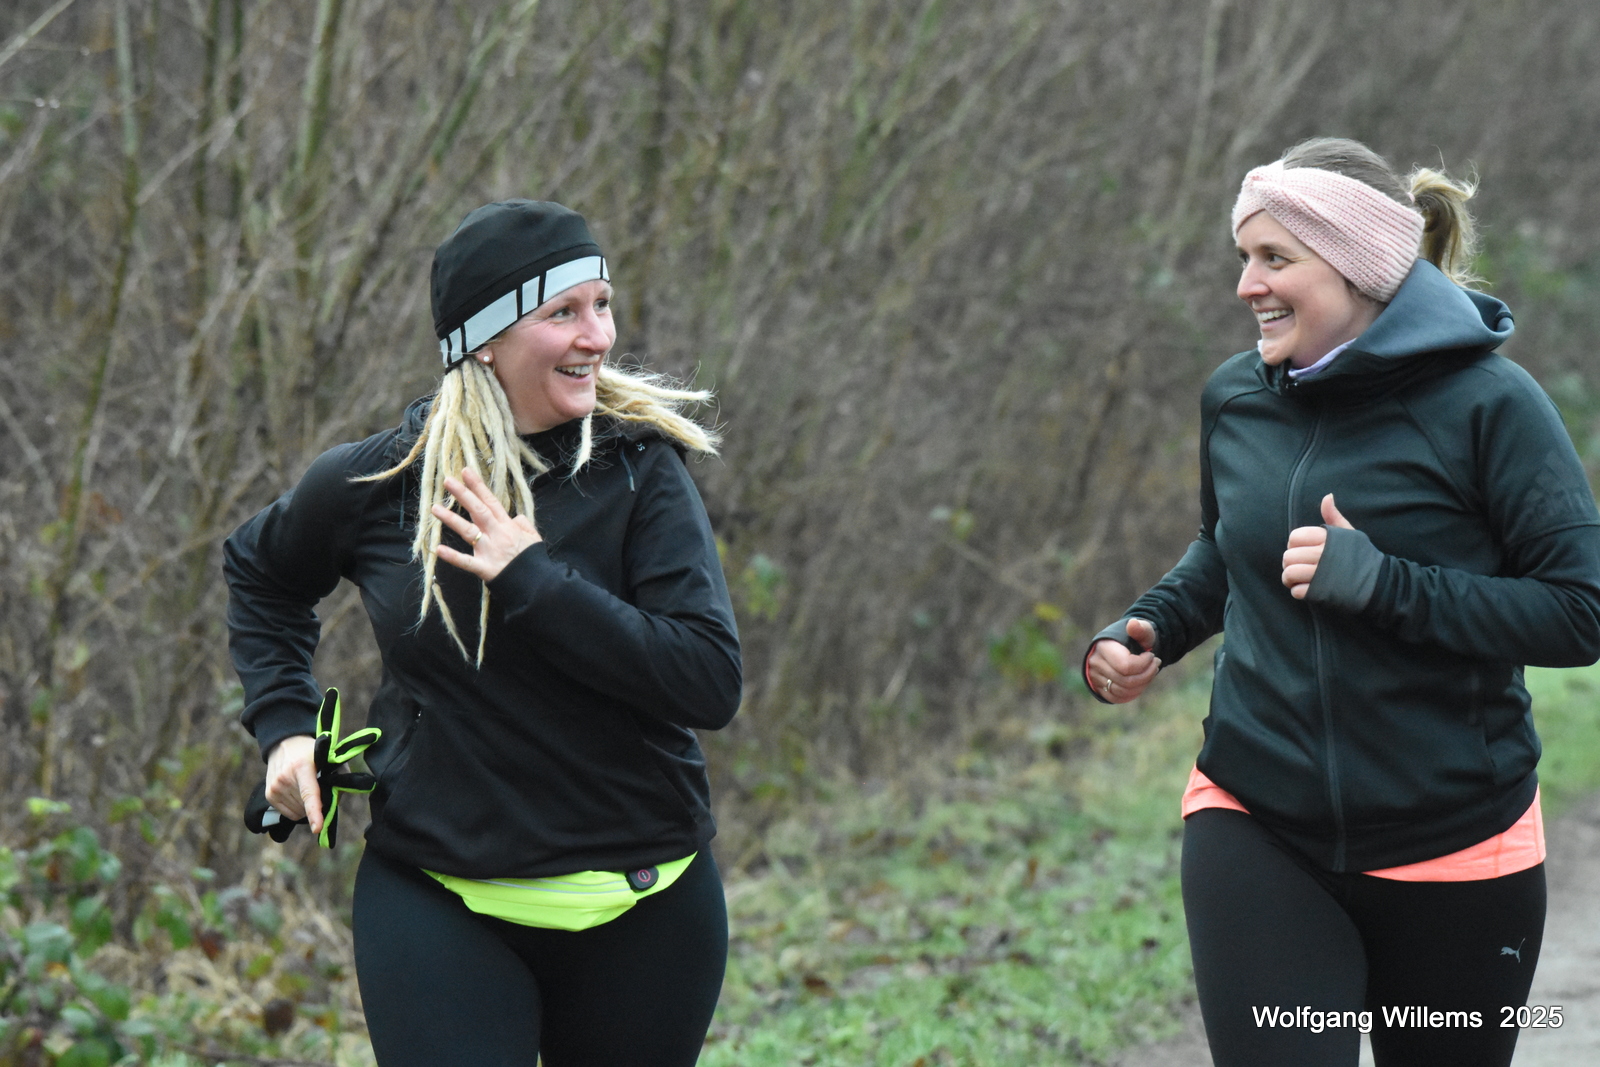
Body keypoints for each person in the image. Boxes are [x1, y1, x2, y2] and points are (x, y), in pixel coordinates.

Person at [1082, 138, 1600, 1067]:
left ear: (1358, 265)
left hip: (1456, 842)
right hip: (1257, 818)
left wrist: (1388, 585)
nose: (1247, 284)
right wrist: (1150, 624)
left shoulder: (1492, 406)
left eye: (1275, 258)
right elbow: (1227, 546)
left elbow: (1578, 610)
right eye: (1245, 256)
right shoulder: (1236, 397)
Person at [224, 200, 740, 1066]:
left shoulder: (640, 471)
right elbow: (260, 572)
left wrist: (533, 579)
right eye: (563, 313)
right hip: (435, 896)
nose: (599, 335)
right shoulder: (382, 482)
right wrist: (284, 726)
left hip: (644, 906)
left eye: (602, 304)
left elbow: (707, 680)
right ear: (484, 341)